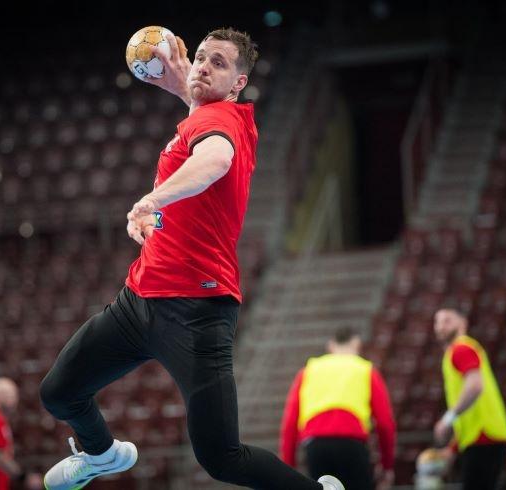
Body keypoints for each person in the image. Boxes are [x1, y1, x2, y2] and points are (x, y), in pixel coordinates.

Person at [39, 27, 344, 490]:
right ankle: (101, 455)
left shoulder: (218, 124)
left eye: (218, 63)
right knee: (60, 392)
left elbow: (214, 161)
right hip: (138, 302)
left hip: (197, 315)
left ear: (239, 83)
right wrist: (183, 84)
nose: (202, 65)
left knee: (222, 458)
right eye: (200, 56)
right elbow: (204, 118)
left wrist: (151, 201)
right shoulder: (213, 115)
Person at [279, 327, 396, 490]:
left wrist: (288, 467)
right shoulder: (365, 370)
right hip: (352, 445)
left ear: (331, 346)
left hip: (316, 446)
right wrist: (387, 465)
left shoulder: (308, 371)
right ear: (357, 345)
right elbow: (385, 423)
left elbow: (290, 423)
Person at [432, 308, 506, 490]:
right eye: (437, 322)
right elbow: (469, 408)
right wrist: (453, 447)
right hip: (480, 437)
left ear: (463, 323)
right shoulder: (456, 352)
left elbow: (475, 386)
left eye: (447, 320)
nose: (440, 327)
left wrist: (447, 419)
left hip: (485, 435)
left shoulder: (461, 348)